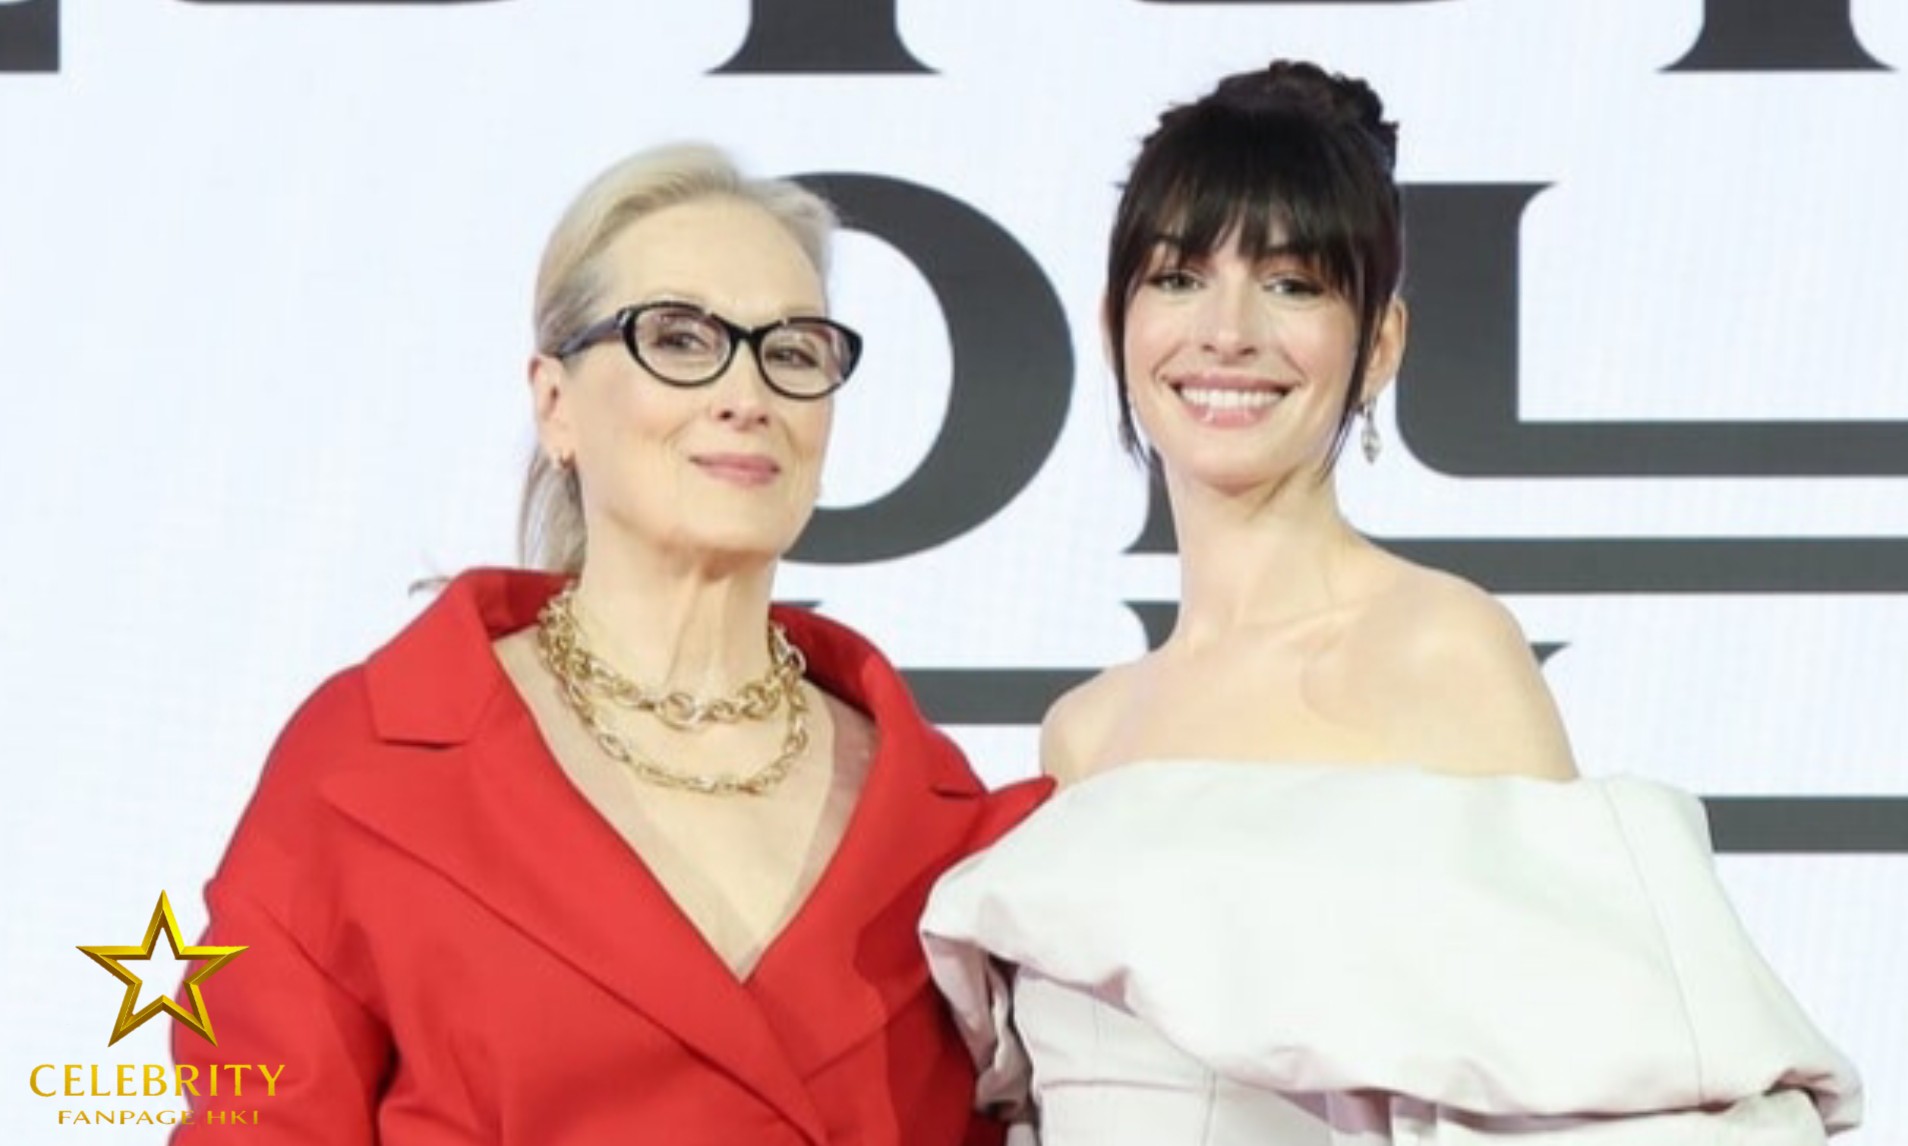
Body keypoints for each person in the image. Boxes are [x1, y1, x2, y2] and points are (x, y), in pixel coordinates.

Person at [921, 62, 1862, 1143]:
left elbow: (1593, 1089)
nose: (1227, 331)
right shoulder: (1084, 734)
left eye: (1292, 284)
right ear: (1114, 324)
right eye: (1178, 277)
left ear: (1380, 346)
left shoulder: (1441, 652)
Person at [172, 143, 1046, 1146]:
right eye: (678, 339)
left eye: (794, 352)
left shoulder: (934, 817)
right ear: (556, 404)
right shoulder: (370, 765)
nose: (747, 394)